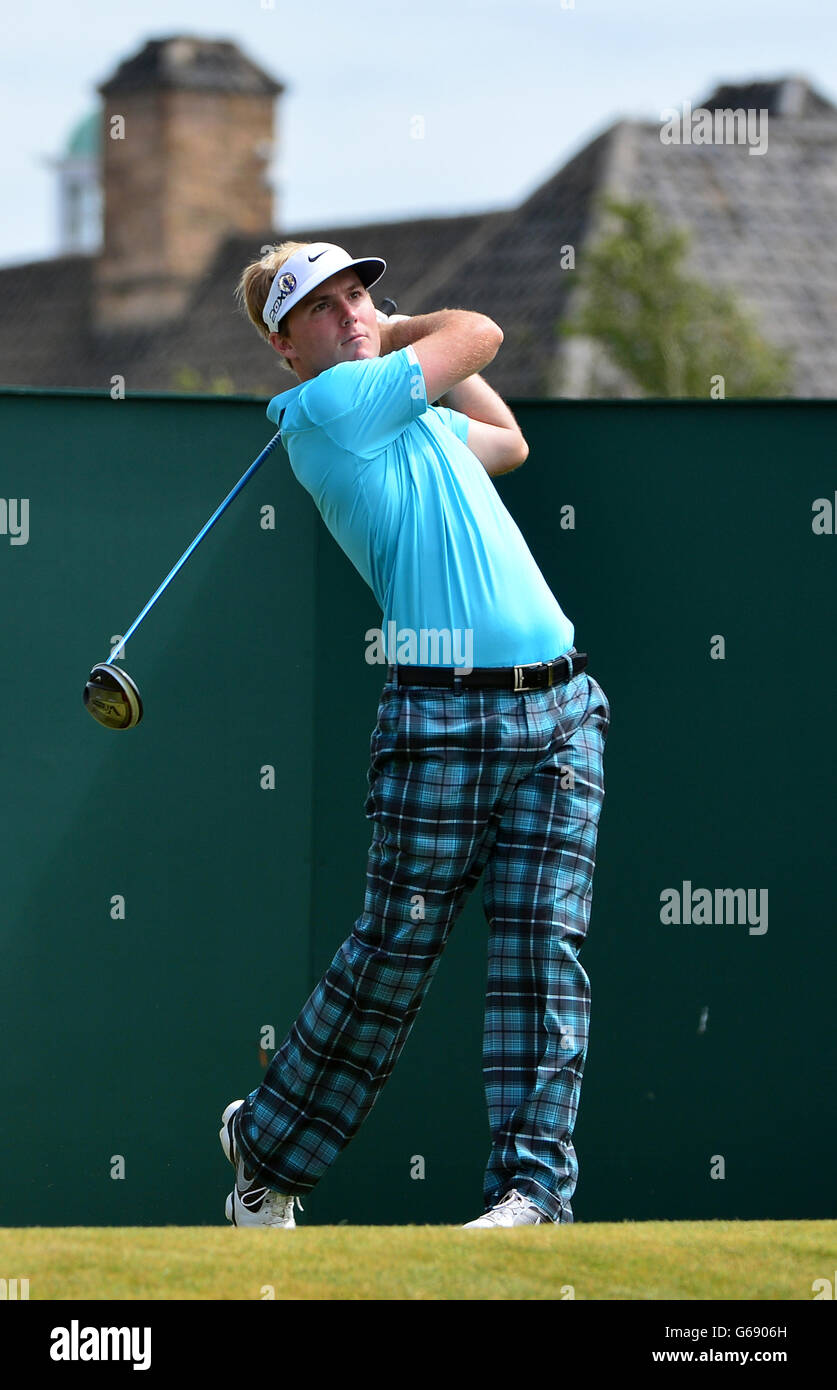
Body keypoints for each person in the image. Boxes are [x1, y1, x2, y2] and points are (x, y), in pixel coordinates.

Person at [221, 240, 611, 1228]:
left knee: (544, 950)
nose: (353, 311)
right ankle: (267, 1146)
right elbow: (481, 333)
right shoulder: (327, 410)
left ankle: (532, 1196)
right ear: (283, 346)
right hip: (441, 712)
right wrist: (396, 334)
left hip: (562, 709)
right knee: (397, 948)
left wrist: (391, 343)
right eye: (324, 307)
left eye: (361, 291)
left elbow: (508, 439)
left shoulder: (407, 417)